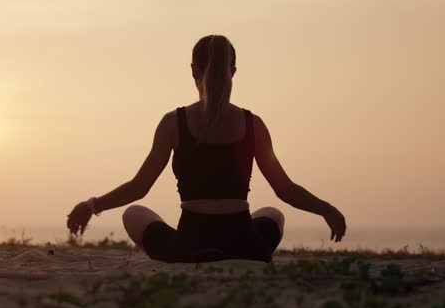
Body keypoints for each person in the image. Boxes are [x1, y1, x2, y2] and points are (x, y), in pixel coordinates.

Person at [66, 35, 346, 263]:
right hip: (247, 247)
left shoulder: (173, 122)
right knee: (274, 213)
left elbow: (138, 188)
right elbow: (285, 189)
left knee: (133, 212)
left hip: (189, 247)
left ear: (193, 70)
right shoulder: (253, 124)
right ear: (233, 71)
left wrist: (92, 206)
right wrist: (327, 210)